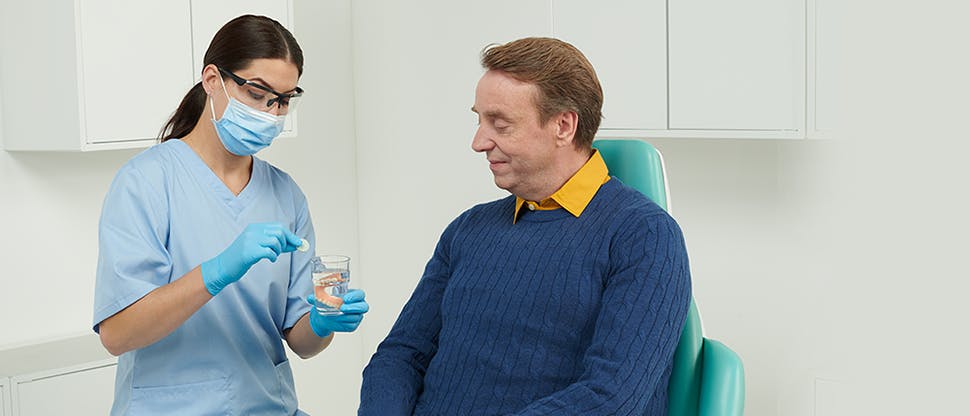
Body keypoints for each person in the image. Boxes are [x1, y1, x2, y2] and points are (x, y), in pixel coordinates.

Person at [359, 37, 691, 415]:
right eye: (479, 120)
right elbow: (401, 356)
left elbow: (611, 398)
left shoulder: (644, 236)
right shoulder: (468, 230)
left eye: (500, 124)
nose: (478, 142)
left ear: (563, 126)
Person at [92, 15, 368, 415]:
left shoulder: (285, 194)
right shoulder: (146, 182)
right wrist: (217, 270)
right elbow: (117, 334)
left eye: (283, 100)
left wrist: (324, 321)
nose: (270, 112)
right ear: (212, 80)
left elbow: (301, 341)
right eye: (258, 93)